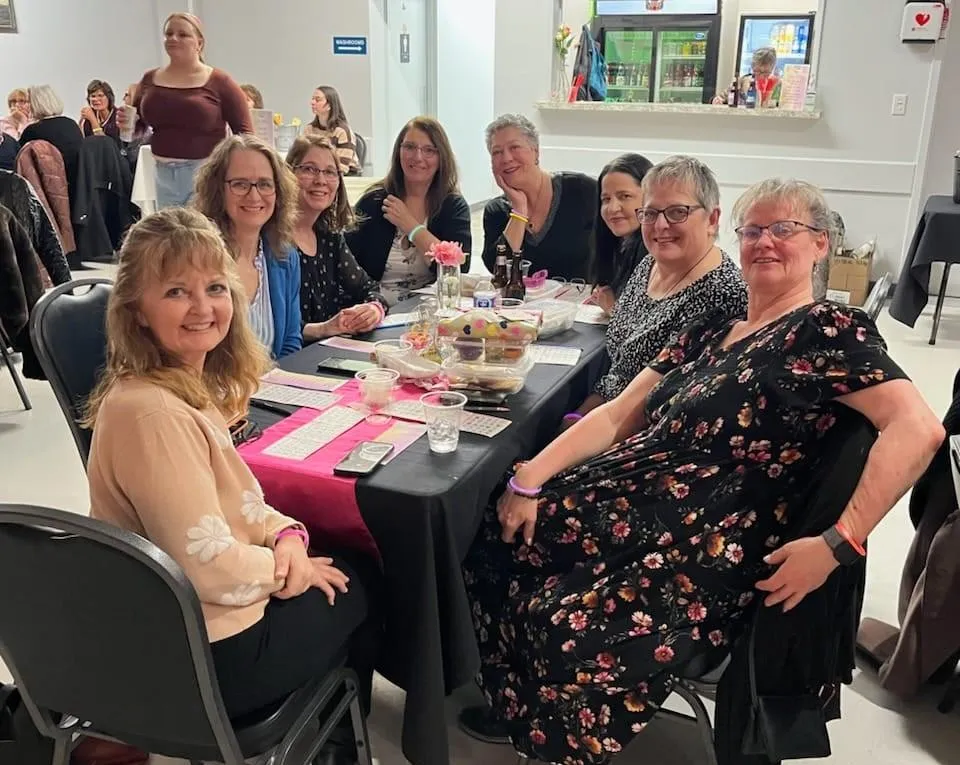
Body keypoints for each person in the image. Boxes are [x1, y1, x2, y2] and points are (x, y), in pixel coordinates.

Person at [459, 178, 944, 762]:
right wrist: (530, 476)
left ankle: (554, 733)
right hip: (631, 504)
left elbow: (919, 429)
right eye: (753, 230)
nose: (765, 241)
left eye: (783, 228)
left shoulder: (826, 329)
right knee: (493, 530)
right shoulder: (713, 325)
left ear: (821, 244)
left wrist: (839, 542)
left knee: (563, 626)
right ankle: (518, 705)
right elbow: (618, 413)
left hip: (705, 542)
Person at [83, 207, 380, 765]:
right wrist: (290, 572)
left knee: (330, 563)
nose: (203, 308)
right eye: (177, 292)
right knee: (362, 577)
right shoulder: (155, 415)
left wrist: (288, 537)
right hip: (205, 655)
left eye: (215, 288)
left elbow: (241, 503)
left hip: (194, 624)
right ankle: (333, 744)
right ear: (137, 310)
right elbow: (207, 566)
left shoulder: (178, 387)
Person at [573, 156, 747, 422]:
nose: (660, 225)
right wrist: (576, 416)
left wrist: (577, 428)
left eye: (677, 212)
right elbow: (618, 374)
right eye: (651, 213)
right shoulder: (649, 264)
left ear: (712, 219)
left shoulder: (724, 295)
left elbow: (665, 409)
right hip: (604, 412)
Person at [119, 12, 253, 209]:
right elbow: (138, 128)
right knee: (172, 227)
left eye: (182, 34)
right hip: (162, 174)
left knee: (202, 227)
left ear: (199, 43)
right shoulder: (149, 79)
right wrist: (127, 125)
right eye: (169, 34)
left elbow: (246, 135)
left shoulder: (220, 82)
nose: (173, 38)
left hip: (205, 173)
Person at [194, 134, 302, 359]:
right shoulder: (198, 259)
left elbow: (290, 341)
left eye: (264, 184)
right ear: (218, 189)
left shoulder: (284, 256)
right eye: (240, 184)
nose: (254, 195)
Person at [346, 117, 470, 306]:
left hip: (428, 310)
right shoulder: (374, 202)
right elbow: (348, 267)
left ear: (441, 158)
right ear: (399, 152)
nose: (418, 157)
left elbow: (458, 268)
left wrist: (411, 227)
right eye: (410, 147)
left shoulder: (453, 206)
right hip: (374, 308)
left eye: (429, 150)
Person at [286, 134, 387, 342]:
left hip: (329, 350)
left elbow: (368, 288)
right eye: (309, 169)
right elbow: (274, 327)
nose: (321, 180)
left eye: (330, 172)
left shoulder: (330, 238)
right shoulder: (273, 241)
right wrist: (323, 329)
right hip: (292, 356)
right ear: (288, 174)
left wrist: (373, 309)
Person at [481, 114, 597, 281]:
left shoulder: (583, 190)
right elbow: (498, 270)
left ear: (535, 151)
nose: (506, 158)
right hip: (523, 298)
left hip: (584, 296)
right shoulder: (496, 210)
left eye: (514, 147)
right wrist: (519, 212)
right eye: (497, 152)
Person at [589, 153, 653, 314]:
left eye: (625, 196)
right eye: (606, 199)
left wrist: (614, 309)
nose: (612, 208)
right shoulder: (618, 244)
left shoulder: (656, 253)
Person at [19, 85, 84, 197]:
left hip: (52, 190)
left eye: (28, 102)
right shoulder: (71, 123)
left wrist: (19, 123)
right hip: (78, 185)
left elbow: (18, 159)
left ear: (36, 104)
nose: (26, 106)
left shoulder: (33, 130)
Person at [304, 86, 360, 176]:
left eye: (318, 100)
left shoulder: (342, 131)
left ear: (330, 105)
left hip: (346, 176)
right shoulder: (309, 129)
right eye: (312, 99)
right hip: (319, 173)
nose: (312, 102)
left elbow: (342, 167)